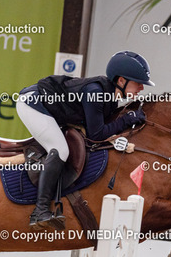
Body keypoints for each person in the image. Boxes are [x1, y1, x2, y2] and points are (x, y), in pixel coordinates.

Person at [16, 51, 152, 230]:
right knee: (60, 149)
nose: (141, 88)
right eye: (138, 83)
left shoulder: (111, 96)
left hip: (49, 106)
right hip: (33, 103)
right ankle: (40, 211)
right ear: (121, 81)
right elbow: (97, 134)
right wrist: (127, 119)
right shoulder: (95, 92)